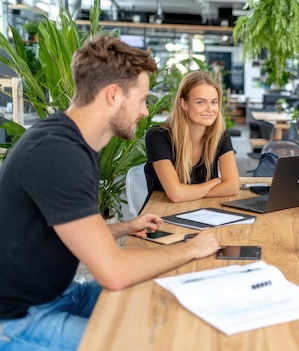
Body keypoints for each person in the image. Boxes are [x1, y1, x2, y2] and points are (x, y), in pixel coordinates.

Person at [0, 36, 219, 350]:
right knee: (151, 343)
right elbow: (113, 273)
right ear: (113, 94)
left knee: (167, 300)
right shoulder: (58, 153)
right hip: (18, 319)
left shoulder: (68, 140)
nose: (145, 111)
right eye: (142, 99)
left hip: (61, 294)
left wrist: (124, 227)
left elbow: (62, 229)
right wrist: (192, 249)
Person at [145, 71, 239, 203]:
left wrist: (188, 193)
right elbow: (176, 194)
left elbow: (233, 186)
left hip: (202, 211)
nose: (209, 109)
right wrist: (215, 182)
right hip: (163, 214)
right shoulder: (158, 137)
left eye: (214, 102)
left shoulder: (220, 136)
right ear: (184, 104)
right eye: (200, 102)